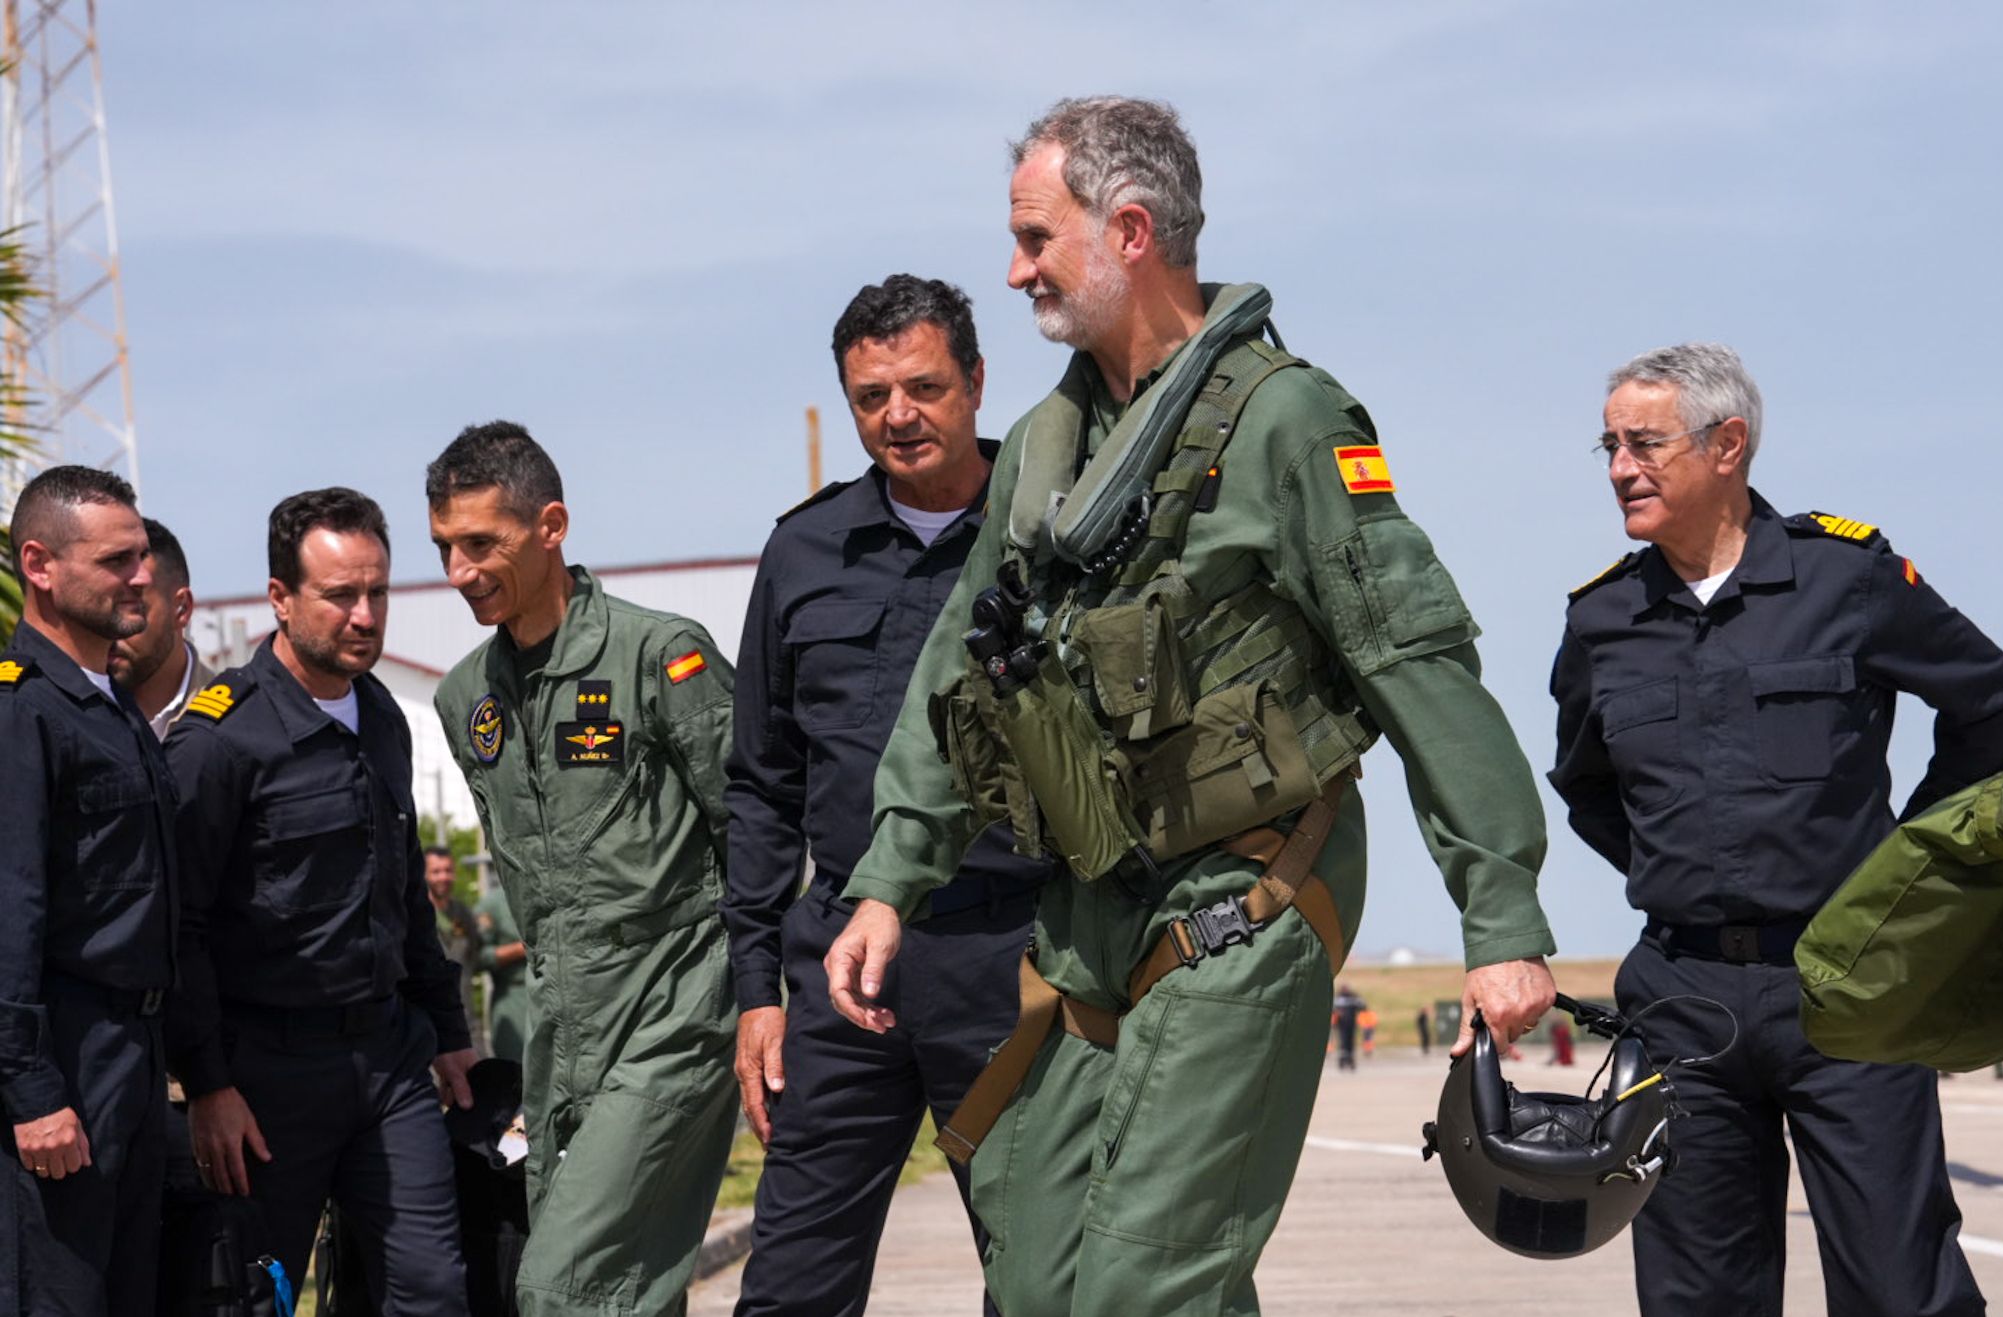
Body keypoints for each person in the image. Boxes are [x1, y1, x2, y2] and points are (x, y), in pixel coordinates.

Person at [824, 96, 1558, 1313]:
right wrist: (887, 882)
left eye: (1033, 239)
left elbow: (1413, 660)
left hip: (1247, 891)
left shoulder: (1286, 421)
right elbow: (961, 667)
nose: (1010, 273)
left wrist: (1503, 914)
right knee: (1041, 1276)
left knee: (1144, 1288)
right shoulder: (1048, 451)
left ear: (1127, 230)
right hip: (1092, 908)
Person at [1549, 342, 2003, 1316]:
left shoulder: (1844, 577)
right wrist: (1672, 872)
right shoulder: (1602, 618)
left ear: (1726, 445)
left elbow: (1990, 702)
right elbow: (1583, 785)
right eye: (1606, 446)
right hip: (1681, 999)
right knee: (1696, 1298)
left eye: (1641, 444)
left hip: (1847, 987)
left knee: (1902, 1289)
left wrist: (1909, 870)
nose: (1617, 469)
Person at [723, 272, 1048, 1316]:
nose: (898, 416)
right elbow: (762, 786)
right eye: (871, 396)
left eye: (922, 387)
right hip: (841, 975)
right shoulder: (802, 552)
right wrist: (758, 990)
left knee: (1045, 1278)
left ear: (976, 383)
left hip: (1012, 955)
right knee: (787, 1289)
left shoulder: (1052, 534)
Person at [427, 421, 740, 1317]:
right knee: (636, 1287)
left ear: (552, 525)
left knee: (563, 1287)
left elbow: (749, 831)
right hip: (557, 1037)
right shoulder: (465, 699)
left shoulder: (658, 654)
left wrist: (765, 1002)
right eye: (446, 546)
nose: (459, 571)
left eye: (482, 543)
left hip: (675, 1009)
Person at [163, 487, 476, 1313]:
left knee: (433, 1288)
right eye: (341, 595)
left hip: (388, 1059)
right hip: (266, 1077)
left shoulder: (381, 716)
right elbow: (181, 925)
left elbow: (407, 895)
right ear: (281, 598)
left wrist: (449, 1035)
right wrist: (207, 1086)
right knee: (254, 1296)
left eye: (378, 591)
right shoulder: (219, 739)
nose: (365, 614)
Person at [0, 466, 177, 1314]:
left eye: (142, 556)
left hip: (133, 1054)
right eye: (117, 560)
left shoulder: (107, 705)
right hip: (67, 1058)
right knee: (62, 1296)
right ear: (40, 564)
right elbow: (9, 908)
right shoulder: (21, 711)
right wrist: (33, 1092)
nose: (141, 575)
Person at [107, 517, 217, 740]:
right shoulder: (72, 721)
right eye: (104, 612)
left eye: (133, 608)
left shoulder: (236, 721)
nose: (112, 631)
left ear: (181, 608)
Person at [424, 845, 486, 1054]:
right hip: (428, 1025)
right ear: (424, 874)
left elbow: (474, 954)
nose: (444, 877)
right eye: (436, 871)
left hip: (465, 1017)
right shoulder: (415, 915)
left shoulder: (462, 914)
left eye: (448, 870)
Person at [472, 879, 530, 1064]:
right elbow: (473, 956)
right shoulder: (493, 904)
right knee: (517, 1068)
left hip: (554, 993)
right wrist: (519, 949)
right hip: (514, 995)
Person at [1330, 986, 1363, 1071]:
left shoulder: (1351, 999)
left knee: (1348, 1044)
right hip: (1343, 1026)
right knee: (1344, 1044)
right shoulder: (1347, 999)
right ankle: (1343, 1062)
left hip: (1349, 1025)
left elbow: (1362, 1007)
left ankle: (1349, 1061)